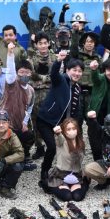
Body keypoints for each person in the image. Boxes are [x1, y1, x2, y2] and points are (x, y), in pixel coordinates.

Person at [36, 51, 84, 185]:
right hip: (46, 121)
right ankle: (44, 171)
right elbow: (54, 74)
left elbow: (75, 109)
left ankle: (67, 170)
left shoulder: (77, 88)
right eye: (74, 70)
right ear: (67, 70)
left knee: (68, 147)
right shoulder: (61, 80)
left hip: (63, 124)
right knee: (52, 147)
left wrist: (75, 126)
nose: (77, 73)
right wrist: (58, 61)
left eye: (80, 71)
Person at [0, 43, 36, 170]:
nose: (24, 75)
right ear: (17, 72)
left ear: (31, 73)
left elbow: (29, 107)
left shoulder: (31, 90)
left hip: (19, 123)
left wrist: (25, 122)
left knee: (29, 136)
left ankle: (25, 157)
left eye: (27, 72)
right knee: (8, 143)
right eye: (22, 72)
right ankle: (6, 162)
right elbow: (10, 70)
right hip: (5, 122)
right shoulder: (12, 83)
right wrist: (10, 53)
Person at [28, 31, 58, 159]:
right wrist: (46, 78)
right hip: (36, 94)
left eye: (45, 43)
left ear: (49, 43)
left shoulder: (55, 58)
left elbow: (57, 75)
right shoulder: (31, 59)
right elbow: (30, 75)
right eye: (40, 43)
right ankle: (39, 147)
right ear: (36, 45)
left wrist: (40, 78)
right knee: (35, 121)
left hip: (51, 94)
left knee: (52, 120)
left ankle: (53, 146)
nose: (43, 46)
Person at [46, 118, 88, 201]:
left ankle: (86, 182)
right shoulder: (62, 141)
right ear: (64, 131)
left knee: (77, 197)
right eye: (68, 129)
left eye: (74, 128)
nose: (72, 131)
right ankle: (48, 184)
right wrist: (58, 133)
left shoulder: (80, 142)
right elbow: (59, 138)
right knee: (67, 197)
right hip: (61, 176)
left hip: (76, 175)